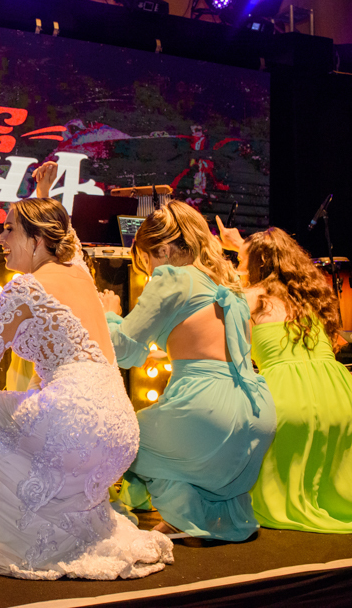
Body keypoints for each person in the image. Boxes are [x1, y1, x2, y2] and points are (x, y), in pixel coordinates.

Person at [0, 196, 174, 580]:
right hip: (122, 426)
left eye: (9, 230)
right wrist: (43, 191)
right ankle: (51, 523)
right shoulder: (80, 271)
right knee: (25, 414)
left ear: (36, 239)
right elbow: (71, 239)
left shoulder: (23, 289)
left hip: (73, 418)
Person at [102, 200, 276, 542]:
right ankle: (192, 518)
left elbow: (123, 350)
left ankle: (169, 516)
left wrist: (109, 312)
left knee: (117, 434)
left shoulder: (173, 277)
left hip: (207, 411)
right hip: (256, 409)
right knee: (167, 441)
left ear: (164, 250)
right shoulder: (226, 285)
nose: (149, 272)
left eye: (147, 261)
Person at [218, 224, 352, 533]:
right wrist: (242, 246)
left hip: (289, 398)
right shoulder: (312, 297)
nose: (238, 266)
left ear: (257, 264)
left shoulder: (247, 298)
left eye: (241, 261)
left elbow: (233, 355)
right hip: (342, 397)